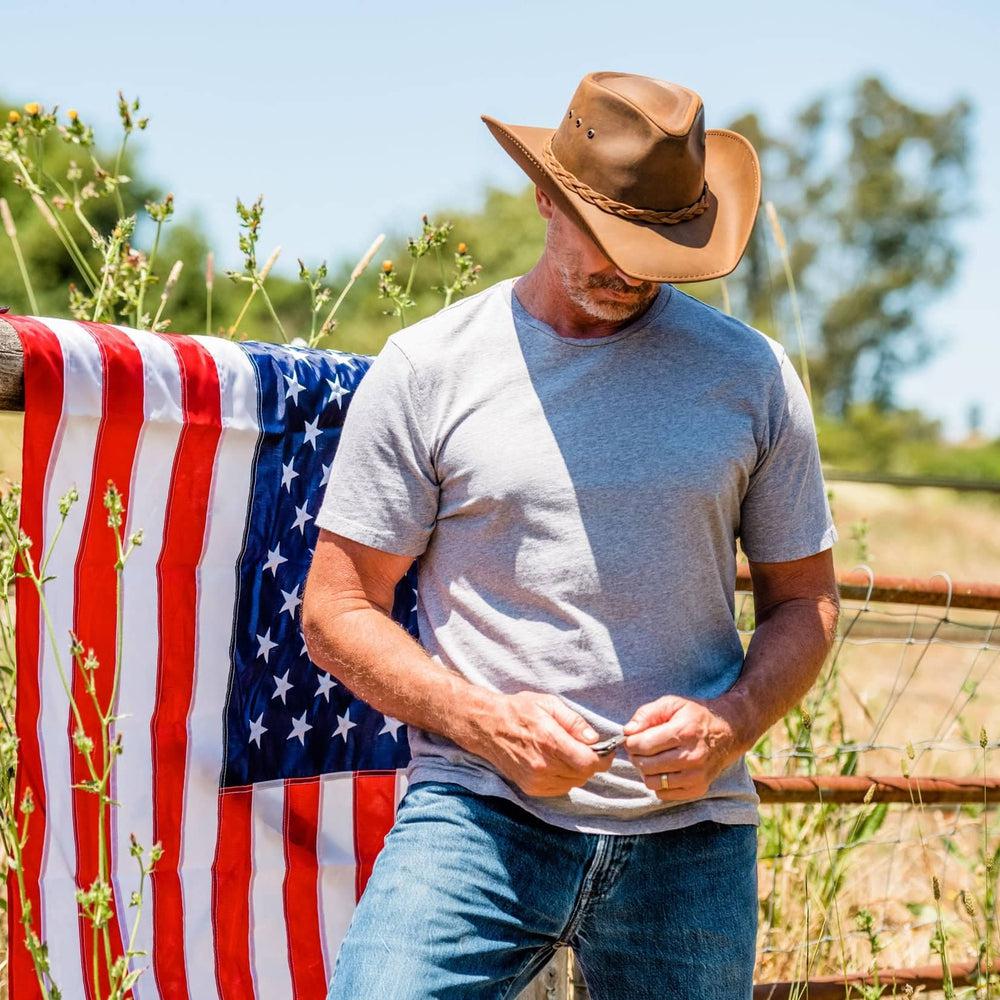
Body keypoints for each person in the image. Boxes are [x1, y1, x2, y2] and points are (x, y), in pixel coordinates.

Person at [304, 70, 841, 1000]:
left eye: (659, 246)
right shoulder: (429, 368)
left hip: (694, 836)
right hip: (478, 816)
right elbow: (335, 609)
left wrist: (732, 721)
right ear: (545, 194)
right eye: (608, 238)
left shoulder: (751, 376)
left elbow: (809, 603)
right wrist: (484, 721)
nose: (629, 270)